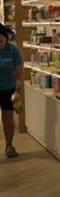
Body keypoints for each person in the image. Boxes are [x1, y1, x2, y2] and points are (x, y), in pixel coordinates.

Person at [0, 23, 23, 158]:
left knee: (8, 117)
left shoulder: (13, 50)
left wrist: (17, 90)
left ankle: (9, 145)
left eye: (1, 41)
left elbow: (19, 73)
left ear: (6, 38)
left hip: (8, 89)